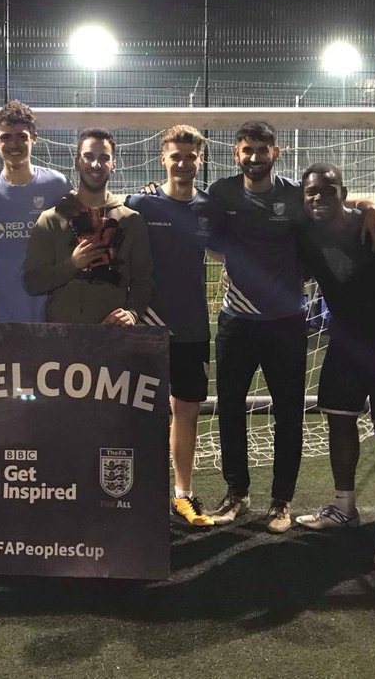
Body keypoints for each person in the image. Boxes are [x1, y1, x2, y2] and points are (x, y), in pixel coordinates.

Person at [206, 120, 375, 531]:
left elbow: (337, 204)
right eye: (247, 150)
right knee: (230, 410)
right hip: (237, 321)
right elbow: (195, 221)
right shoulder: (221, 193)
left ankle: (280, 502)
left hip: (287, 322)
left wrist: (370, 207)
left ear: (277, 152)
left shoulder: (294, 195)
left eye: (262, 149)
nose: (254, 157)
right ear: (236, 154)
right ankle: (236, 494)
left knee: (288, 414)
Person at [293, 164, 375, 570]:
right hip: (344, 347)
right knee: (340, 424)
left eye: (327, 190)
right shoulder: (308, 234)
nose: (318, 197)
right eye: (311, 192)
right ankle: (343, 507)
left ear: (343, 192)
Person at [126, 125, 216, 528]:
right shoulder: (141, 204)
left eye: (190, 156)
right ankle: (140, 491)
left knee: (187, 411)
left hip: (193, 325)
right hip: (148, 326)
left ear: (200, 159)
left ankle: (183, 493)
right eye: (175, 156)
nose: (182, 163)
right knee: (141, 411)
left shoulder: (209, 207)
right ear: (163, 158)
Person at [23, 128, 153, 325]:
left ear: (113, 164)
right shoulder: (51, 219)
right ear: (77, 162)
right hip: (63, 337)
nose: (96, 164)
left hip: (113, 335)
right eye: (89, 156)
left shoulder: (131, 220)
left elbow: (142, 281)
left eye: (104, 158)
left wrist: (133, 313)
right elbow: (33, 282)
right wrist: (72, 265)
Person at [0, 100, 70, 322]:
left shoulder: (57, 185)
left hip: (48, 313)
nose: (14, 144)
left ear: (34, 138)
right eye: (6, 137)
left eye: (21, 136)